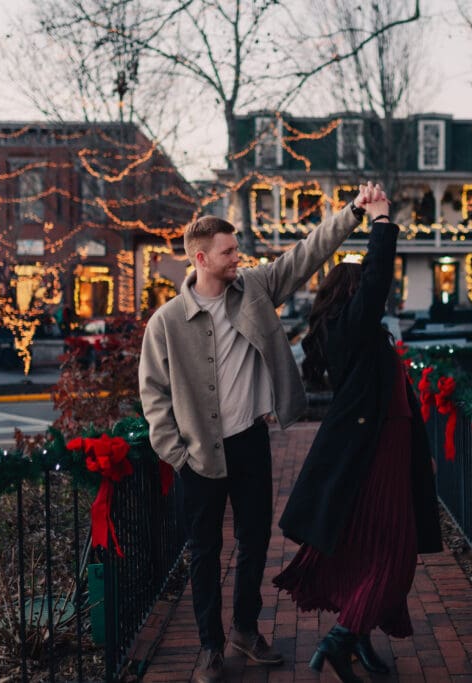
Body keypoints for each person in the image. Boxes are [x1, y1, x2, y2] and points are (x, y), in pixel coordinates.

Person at [139, 182, 383, 683]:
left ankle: (245, 631)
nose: (237, 257)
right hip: (198, 455)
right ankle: (210, 647)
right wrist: (176, 453)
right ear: (201, 258)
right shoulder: (166, 323)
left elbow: (304, 256)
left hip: (250, 441)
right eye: (228, 252)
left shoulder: (253, 288)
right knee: (203, 551)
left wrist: (353, 213)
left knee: (253, 542)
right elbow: (153, 396)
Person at [275, 208, 443, 682]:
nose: (377, 298)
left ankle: (357, 641)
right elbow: (376, 281)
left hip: (390, 446)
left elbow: (400, 397)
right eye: (364, 289)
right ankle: (340, 638)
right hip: (374, 451)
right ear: (351, 295)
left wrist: (419, 449)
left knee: (373, 551)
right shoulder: (348, 330)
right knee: (394, 551)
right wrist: (382, 220)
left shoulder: (365, 336)